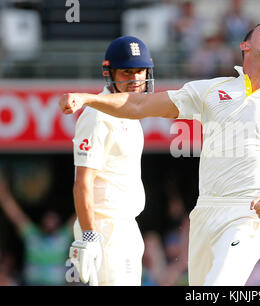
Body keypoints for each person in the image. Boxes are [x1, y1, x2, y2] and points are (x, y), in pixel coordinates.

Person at [59, 21, 260, 286]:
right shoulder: (212, 90)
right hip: (205, 212)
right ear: (245, 45)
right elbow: (139, 104)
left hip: (247, 211)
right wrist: (86, 99)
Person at [68, 36, 154, 286]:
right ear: (110, 72)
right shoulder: (96, 116)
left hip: (126, 226)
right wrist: (90, 235)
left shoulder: (131, 113)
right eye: (127, 72)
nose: (136, 79)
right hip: (105, 228)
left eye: (140, 71)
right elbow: (82, 181)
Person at [0, 179, 74, 285]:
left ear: (59, 224)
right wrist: (3, 194)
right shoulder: (32, 235)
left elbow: (79, 216)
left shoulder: (63, 237)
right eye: (47, 220)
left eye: (53, 220)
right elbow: (15, 214)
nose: (50, 223)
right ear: (41, 223)